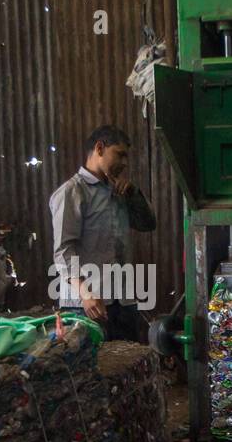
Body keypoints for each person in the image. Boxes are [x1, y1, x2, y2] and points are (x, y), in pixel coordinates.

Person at [49, 125, 157, 342]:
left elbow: (148, 224)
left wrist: (134, 195)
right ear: (99, 148)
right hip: (87, 304)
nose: (125, 163)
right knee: (93, 369)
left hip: (122, 300)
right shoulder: (72, 192)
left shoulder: (119, 191)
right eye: (120, 154)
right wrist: (85, 292)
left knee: (126, 367)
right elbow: (63, 250)